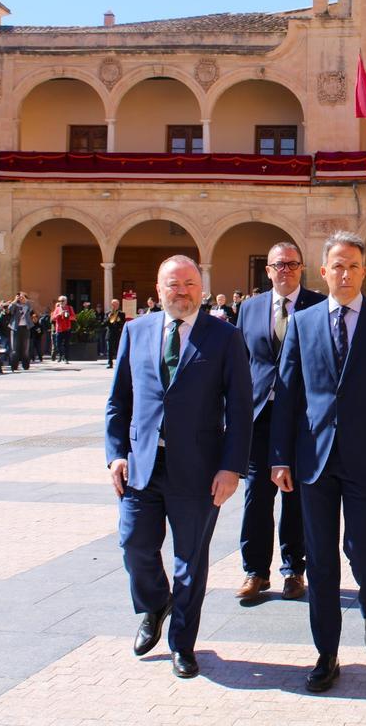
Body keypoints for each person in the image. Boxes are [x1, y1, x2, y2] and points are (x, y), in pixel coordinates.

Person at [269, 231, 366, 693]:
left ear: (365, 271)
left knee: (361, 548)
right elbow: (287, 394)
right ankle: (326, 653)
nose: (346, 273)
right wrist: (279, 458)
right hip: (312, 460)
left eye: (354, 266)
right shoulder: (304, 322)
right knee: (320, 560)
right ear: (324, 271)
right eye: (338, 265)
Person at [105, 255, 253, 680]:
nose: (182, 291)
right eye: (174, 284)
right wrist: (116, 453)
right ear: (159, 288)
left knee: (190, 561)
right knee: (134, 544)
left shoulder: (224, 337)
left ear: (201, 288)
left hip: (199, 469)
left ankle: (182, 644)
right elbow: (119, 402)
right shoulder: (135, 332)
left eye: (189, 283)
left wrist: (231, 468)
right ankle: (155, 605)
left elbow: (240, 410)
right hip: (142, 466)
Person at [234, 241, 325, 603]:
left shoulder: (318, 306)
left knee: (296, 495)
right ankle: (255, 571)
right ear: (267, 271)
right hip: (259, 417)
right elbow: (240, 363)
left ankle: (294, 570)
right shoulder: (250, 308)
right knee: (256, 495)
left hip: (303, 418)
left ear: (301, 268)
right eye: (278, 265)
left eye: (291, 264)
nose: (284, 270)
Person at [8, 293, 34, 370]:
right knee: (15, 349)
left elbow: (31, 308)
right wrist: (15, 300)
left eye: (23, 297)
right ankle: (14, 366)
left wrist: (26, 300)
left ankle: (25, 366)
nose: (21, 299)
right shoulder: (15, 305)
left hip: (25, 328)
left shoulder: (27, 305)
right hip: (15, 328)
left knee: (25, 348)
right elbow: (10, 310)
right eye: (20, 297)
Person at [51, 297, 75, 363]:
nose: (61, 302)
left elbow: (74, 317)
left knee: (66, 344)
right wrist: (59, 314)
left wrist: (68, 316)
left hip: (67, 328)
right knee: (58, 344)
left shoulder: (70, 308)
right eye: (60, 301)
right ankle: (61, 355)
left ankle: (66, 358)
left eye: (63, 300)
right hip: (59, 329)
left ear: (66, 301)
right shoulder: (57, 309)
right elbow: (53, 318)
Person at [104, 299, 126, 370]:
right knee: (109, 349)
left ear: (118, 305)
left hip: (118, 333)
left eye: (116, 304)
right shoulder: (108, 313)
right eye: (113, 305)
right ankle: (110, 363)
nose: (114, 306)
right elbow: (104, 323)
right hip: (110, 333)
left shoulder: (122, 314)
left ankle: (119, 363)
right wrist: (109, 317)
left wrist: (119, 320)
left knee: (118, 349)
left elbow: (123, 324)